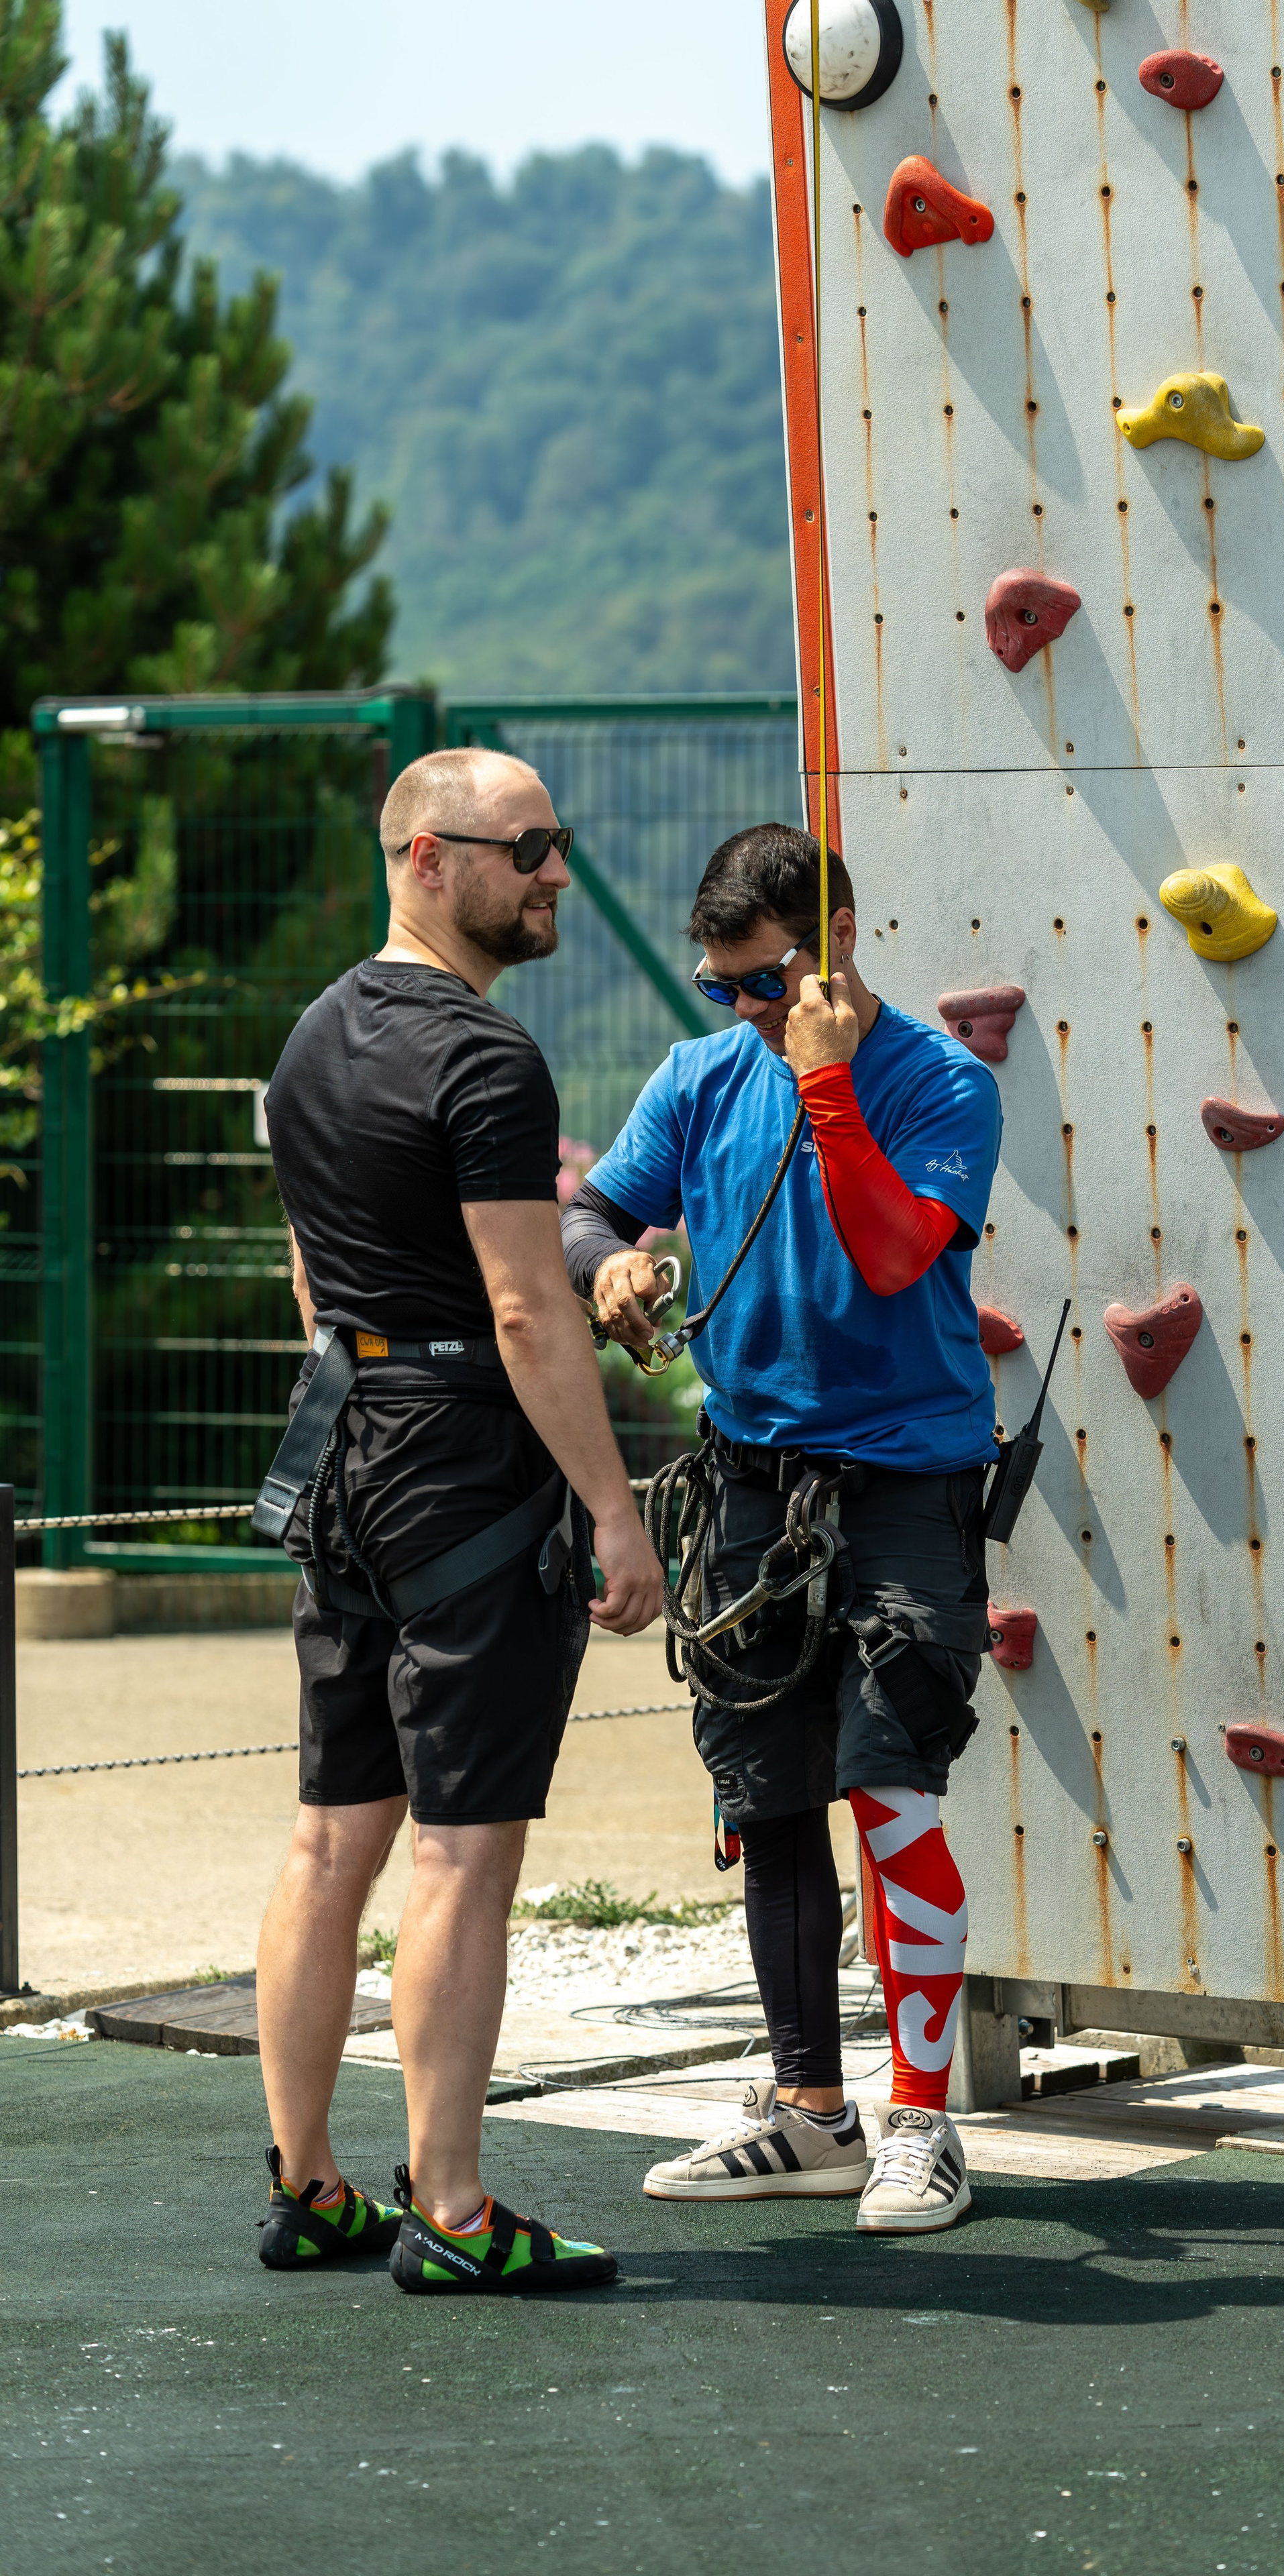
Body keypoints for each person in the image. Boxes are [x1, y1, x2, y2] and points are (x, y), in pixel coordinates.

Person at [253, 745, 663, 2296]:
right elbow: (525, 1306)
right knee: (461, 1853)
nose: (554, 872)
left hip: (343, 1441)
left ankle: (311, 2187)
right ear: (429, 858)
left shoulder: (311, 1040)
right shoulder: (486, 1060)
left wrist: (366, 1384)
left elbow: (313, 1273)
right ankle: (455, 2212)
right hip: (461, 1466)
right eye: (527, 847)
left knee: (330, 1836)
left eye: (557, 843)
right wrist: (613, 1510)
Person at [559, 822, 1000, 2233]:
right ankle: (812, 2110)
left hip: (906, 1481)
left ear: (837, 942)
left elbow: (891, 1252)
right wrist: (610, 1267)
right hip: (751, 1484)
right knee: (766, 1796)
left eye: (763, 981)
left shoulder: (941, 1082)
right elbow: (588, 1214)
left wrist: (822, 1083)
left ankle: (921, 2120)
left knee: (892, 1783)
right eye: (721, 985)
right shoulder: (698, 1078)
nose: (743, 1007)